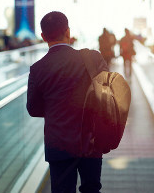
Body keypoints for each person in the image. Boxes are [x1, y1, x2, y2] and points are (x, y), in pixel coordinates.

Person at [26, 11, 109, 193]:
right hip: (91, 139)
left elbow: (33, 109)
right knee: (92, 189)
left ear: (43, 36)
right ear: (68, 32)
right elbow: (107, 94)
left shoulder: (37, 68)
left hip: (58, 142)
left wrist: (55, 108)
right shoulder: (93, 58)